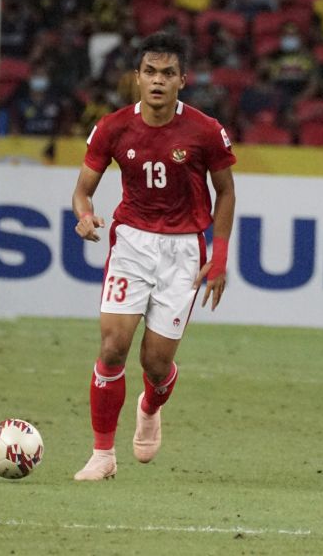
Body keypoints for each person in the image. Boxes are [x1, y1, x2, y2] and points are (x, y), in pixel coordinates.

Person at [70, 31, 236, 481]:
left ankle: (150, 404)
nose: (157, 81)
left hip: (183, 251)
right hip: (131, 244)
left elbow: (225, 192)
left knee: (156, 363)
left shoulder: (205, 131)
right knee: (112, 347)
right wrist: (84, 217)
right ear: (137, 78)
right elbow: (83, 192)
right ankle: (102, 454)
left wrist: (218, 258)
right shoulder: (113, 127)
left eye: (167, 73)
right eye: (150, 72)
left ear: (183, 80)